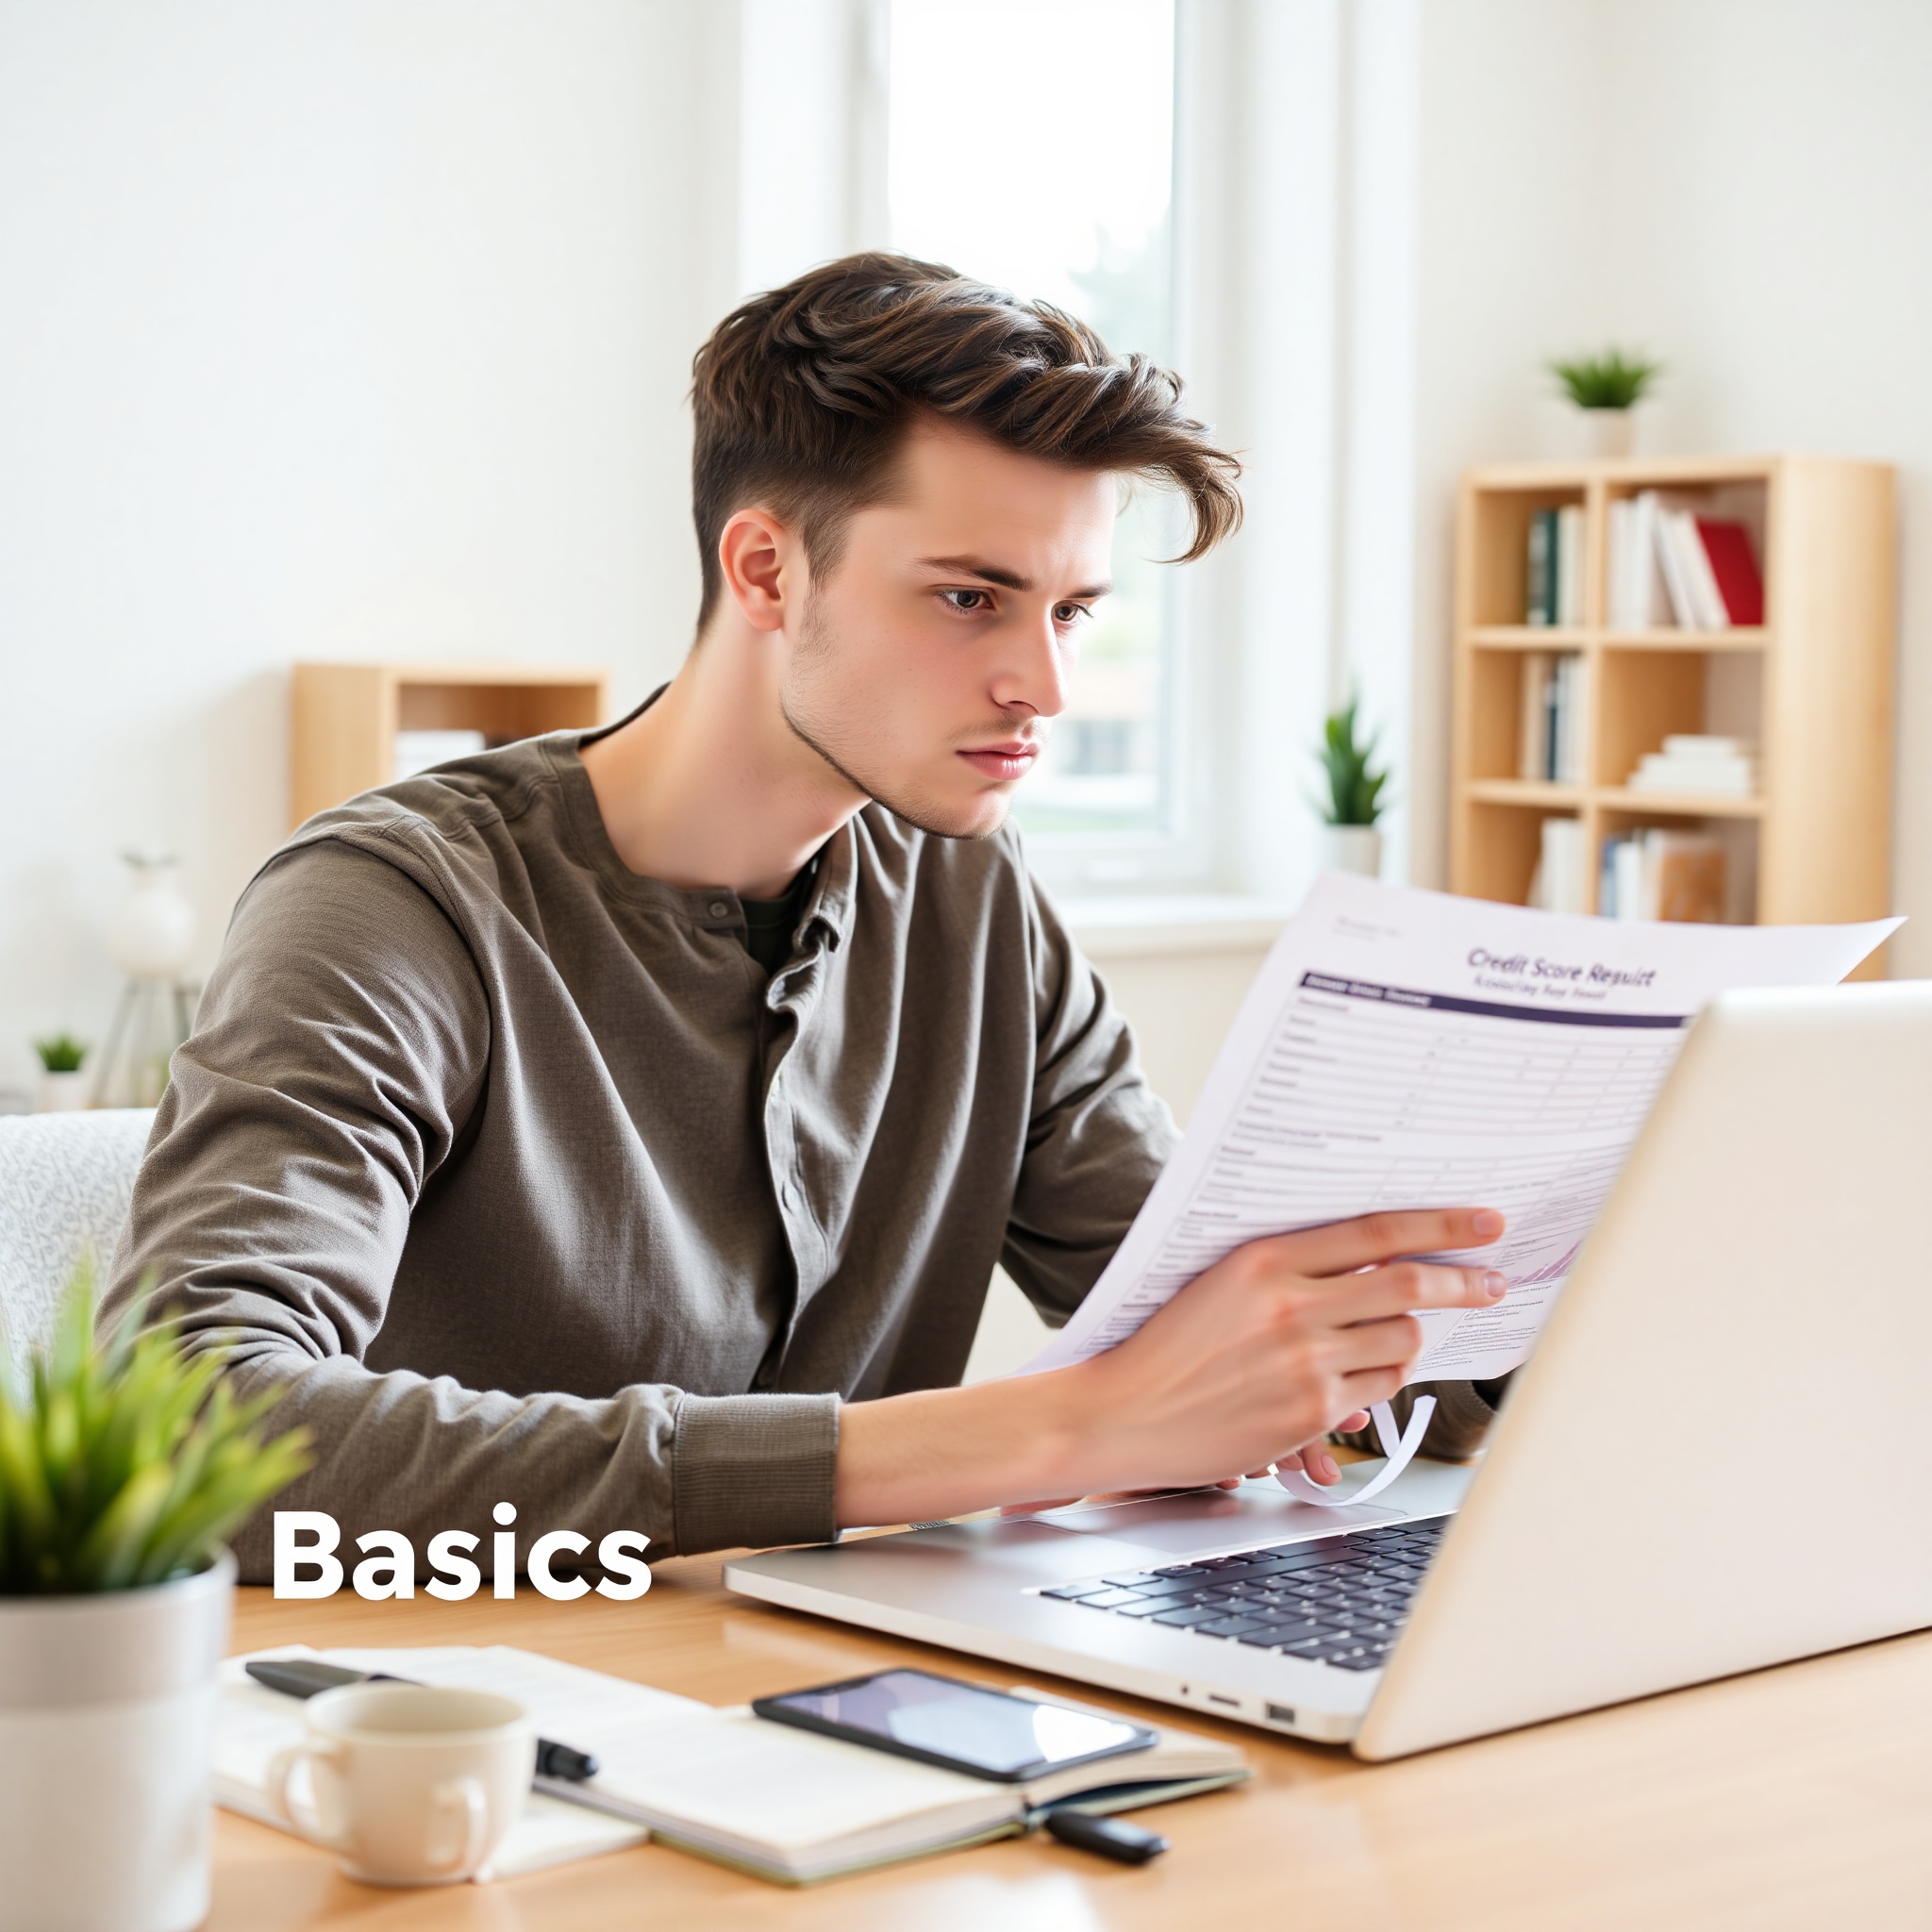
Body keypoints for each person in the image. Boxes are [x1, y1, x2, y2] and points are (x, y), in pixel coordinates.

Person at [106, 254, 1507, 1581]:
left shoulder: (975, 898)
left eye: (1072, 614)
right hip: (475, 1731)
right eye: (971, 599)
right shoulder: (396, 907)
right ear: (767, 571)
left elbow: (1205, 1309)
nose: (1043, 686)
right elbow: (190, 1430)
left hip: (868, 1707)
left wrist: (1479, 1321)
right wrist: (1050, 1434)